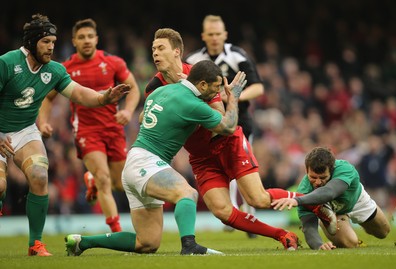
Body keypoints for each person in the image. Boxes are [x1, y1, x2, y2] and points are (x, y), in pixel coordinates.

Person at [143, 28, 336, 251]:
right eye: (153, 49)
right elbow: (148, 117)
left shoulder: (198, 75)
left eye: (160, 48)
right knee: (222, 211)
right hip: (201, 157)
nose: (155, 53)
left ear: (176, 52)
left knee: (257, 199)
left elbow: (220, 116)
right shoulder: (154, 87)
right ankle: (283, 235)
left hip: (227, 143)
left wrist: (189, 97)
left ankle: (315, 203)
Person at [64, 59, 247, 256]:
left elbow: (142, 117)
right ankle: (190, 246)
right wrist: (234, 97)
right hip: (148, 163)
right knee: (187, 193)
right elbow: (228, 127)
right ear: (202, 85)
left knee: (147, 243)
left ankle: (82, 242)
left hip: (135, 162)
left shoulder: (162, 90)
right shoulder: (192, 104)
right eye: (216, 86)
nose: (218, 92)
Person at [0, 14, 131, 256]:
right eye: (45, 42)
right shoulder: (7, 63)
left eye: (53, 41)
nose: (51, 47)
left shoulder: (55, 70)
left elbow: (79, 93)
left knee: (39, 174)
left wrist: (104, 97)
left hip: (25, 129)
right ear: (31, 43)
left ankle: (35, 244)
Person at [38, 18, 140, 232]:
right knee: (105, 179)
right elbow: (48, 97)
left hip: (113, 129)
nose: (86, 41)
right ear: (74, 41)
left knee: (120, 184)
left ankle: (91, 179)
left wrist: (128, 111)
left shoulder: (113, 63)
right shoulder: (66, 68)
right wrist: (43, 122)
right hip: (86, 131)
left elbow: (133, 87)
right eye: (81, 37)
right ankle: (116, 231)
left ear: (96, 39)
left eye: (90, 36)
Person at [185, 15, 264, 238]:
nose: (214, 38)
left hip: (240, 120)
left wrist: (233, 99)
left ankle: (249, 211)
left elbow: (258, 88)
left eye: (218, 33)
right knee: (221, 166)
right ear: (203, 36)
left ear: (225, 35)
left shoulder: (238, 56)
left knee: (243, 165)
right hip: (210, 122)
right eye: (210, 34)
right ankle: (233, 213)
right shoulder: (193, 60)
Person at [272, 147, 391, 250]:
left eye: (323, 177)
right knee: (351, 243)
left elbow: (330, 192)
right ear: (306, 170)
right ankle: (325, 219)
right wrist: (319, 245)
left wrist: (297, 200)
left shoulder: (345, 169)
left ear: (332, 170)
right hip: (336, 213)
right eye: (313, 177)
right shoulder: (304, 190)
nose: (317, 182)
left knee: (383, 232)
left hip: (357, 201)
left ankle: (361, 222)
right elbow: (308, 226)